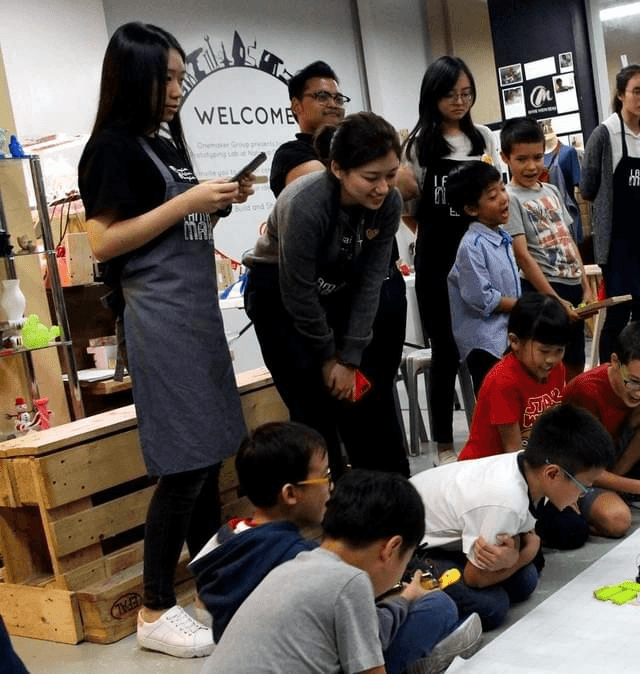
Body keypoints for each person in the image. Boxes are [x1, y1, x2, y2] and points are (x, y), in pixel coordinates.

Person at [78, 22, 253, 658]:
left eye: (181, 77)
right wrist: (187, 203)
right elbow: (103, 242)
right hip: (159, 319)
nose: (178, 89)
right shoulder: (110, 148)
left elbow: (170, 223)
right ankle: (154, 608)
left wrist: (217, 202)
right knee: (184, 464)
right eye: (167, 78)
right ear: (135, 79)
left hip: (196, 314)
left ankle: (213, 585)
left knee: (210, 456)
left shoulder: (166, 141)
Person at [243, 112, 407, 477]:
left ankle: (383, 497)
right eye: (371, 178)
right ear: (337, 169)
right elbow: (298, 293)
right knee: (313, 411)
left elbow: (370, 282)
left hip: (337, 289)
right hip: (278, 296)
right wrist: (329, 358)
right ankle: (326, 501)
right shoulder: (305, 203)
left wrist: (350, 357)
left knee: (367, 403)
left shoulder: (389, 203)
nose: (383, 188)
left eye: (391, 175)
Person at [203, 471, 477, 674]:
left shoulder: (297, 563)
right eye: (405, 560)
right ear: (391, 548)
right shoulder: (351, 582)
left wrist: (405, 599)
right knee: (439, 607)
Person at [410, 404, 617, 631]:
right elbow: (474, 578)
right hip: (411, 547)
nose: (582, 495)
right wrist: (524, 554)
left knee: (526, 579)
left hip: (445, 528)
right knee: (492, 606)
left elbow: (520, 531)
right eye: (583, 487)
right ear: (553, 473)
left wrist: (514, 554)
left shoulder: (529, 469)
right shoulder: (506, 501)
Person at [401, 56, 499, 466]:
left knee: (486, 348)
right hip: (437, 260)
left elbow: (496, 197)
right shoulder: (417, 146)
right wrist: (435, 239)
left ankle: (491, 435)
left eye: (466, 93)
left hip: (481, 257)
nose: (460, 102)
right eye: (450, 95)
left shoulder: (483, 139)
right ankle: (444, 444)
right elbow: (409, 210)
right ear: (432, 97)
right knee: (444, 351)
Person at [189, 422, 332, 642]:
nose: (330, 487)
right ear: (290, 494)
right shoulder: (299, 559)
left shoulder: (225, 539)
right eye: (325, 476)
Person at [553, 321, 640, 543]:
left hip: (609, 456)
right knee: (617, 520)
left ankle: (620, 479)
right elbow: (584, 470)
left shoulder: (639, 390)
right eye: (634, 382)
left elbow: (623, 426)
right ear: (614, 362)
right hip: (574, 471)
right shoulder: (587, 392)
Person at [580, 63, 640, 362]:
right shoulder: (605, 134)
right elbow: (587, 187)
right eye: (636, 92)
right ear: (621, 94)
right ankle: (608, 375)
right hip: (620, 244)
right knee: (618, 315)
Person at [500, 117, 594, 380]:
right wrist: (553, 299)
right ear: (505, 157)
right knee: (546, 362)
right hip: (543, 289)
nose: (531, 166)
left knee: (575, 360)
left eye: (538, 157)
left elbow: (568, 240)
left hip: (572, 286)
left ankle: (570, 405)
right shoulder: (510, 197)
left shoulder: (551, 190)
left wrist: (586, 285)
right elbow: (522, 255)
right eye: (522, 159)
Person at [457, 293, 568, 461]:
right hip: (486, 466)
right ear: (515, 342)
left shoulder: (557, 369)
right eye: (544, 351)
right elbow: (512, 453)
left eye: (559, 350)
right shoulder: (504, 381)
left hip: (528, 458)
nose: (551, 360)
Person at [445, 160, 520, 394]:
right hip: (485, 346)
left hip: (506, 336)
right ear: (471, 209)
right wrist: (523, 305)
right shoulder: (472, 246)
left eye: (502, 189)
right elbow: (482, 298)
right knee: (496, 403)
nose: (503, 198)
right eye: (492, 196)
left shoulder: (501, 237)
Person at [269, 60, 346, 198]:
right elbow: (325, 197)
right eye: (322, 96)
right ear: (296, 106)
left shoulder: (350, 147)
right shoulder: (292, 154)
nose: (333, 104)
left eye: (338, 99)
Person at [541, 121, 582, 241]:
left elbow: (580, 185)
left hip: (566, 213)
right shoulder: (536, 157)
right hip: (542, 216)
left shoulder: (568, 152)